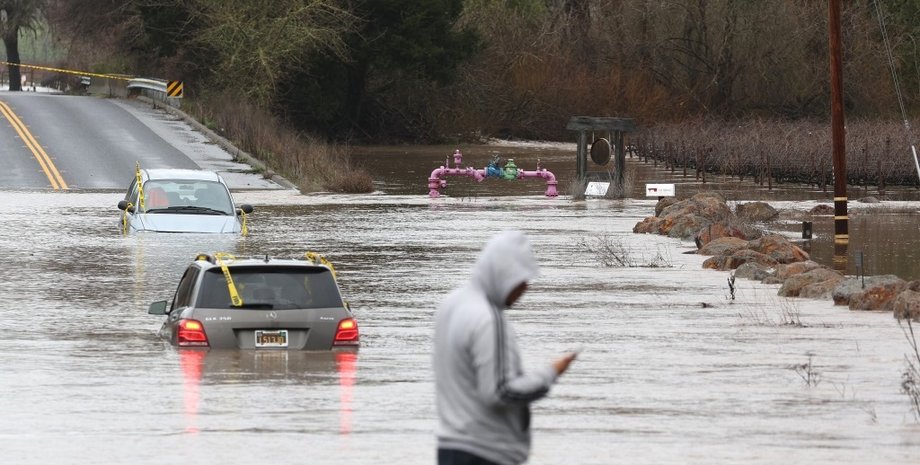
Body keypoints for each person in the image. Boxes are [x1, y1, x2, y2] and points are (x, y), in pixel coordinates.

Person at [433, 230, 577, 465]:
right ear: (504, 275)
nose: (525, 288)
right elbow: (500, 391)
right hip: (486, 451)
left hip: (450, 445)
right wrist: (551, 373)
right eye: (521, 280)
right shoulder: (489, 318)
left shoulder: (451, 304)